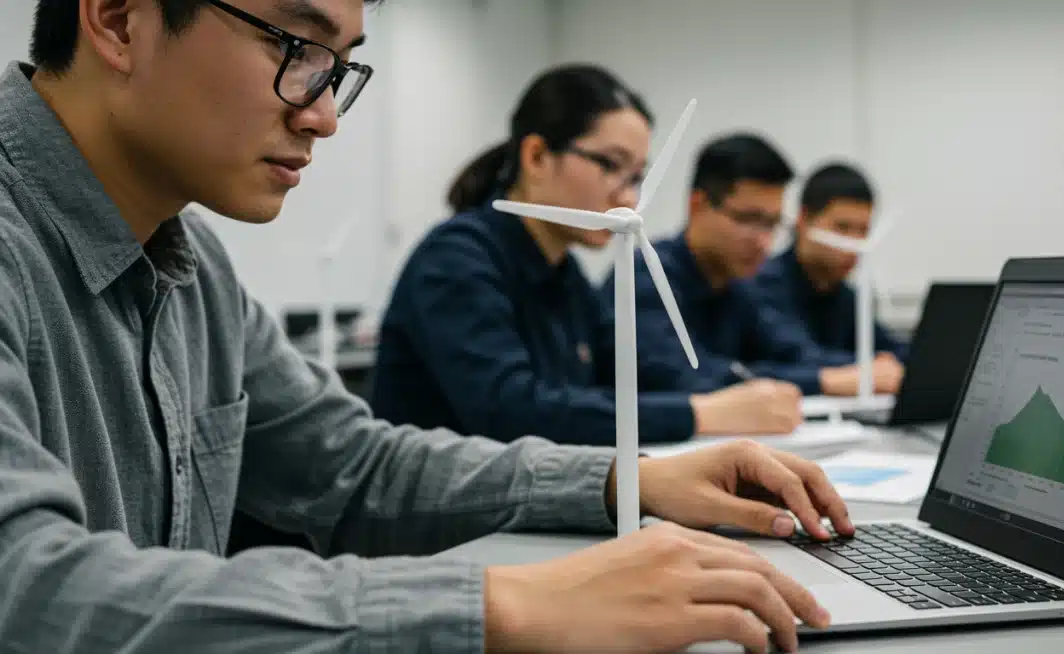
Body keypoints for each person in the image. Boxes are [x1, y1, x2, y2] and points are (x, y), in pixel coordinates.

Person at [0, 2, 854, 652]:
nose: (324, 114)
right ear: (117, 19)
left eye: (339, 69)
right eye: (295, 49)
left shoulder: (196, 270)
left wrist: (624, 481)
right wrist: (504, 605)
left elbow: (356, 469)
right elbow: (27, 586)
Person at [369, 64, 803, 446]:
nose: (628, 196)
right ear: (537, 156)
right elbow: (510, 410)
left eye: (637, 176)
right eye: (611, 165)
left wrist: (741, 394)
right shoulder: (456, 258)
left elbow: (640, 373)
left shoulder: (566, 274)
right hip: (445, 528)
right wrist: (701, 413)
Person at [611, 133, 903, 398]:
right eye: (749, 219)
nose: (764, 241)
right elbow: (680, 375)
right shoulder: (645, 276)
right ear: (698, 205)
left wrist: (872, 368)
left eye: (773, 223)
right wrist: (826, 381)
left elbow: (792, 353)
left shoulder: (740, 288)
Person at [755, 162, 909, 366]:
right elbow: (798, 356)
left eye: (863, 230)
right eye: (842, 228)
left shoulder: (845, 297)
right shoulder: (761, 287)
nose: (855, 245)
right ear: (803, 220)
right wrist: (873, 367)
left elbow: (890, 347)